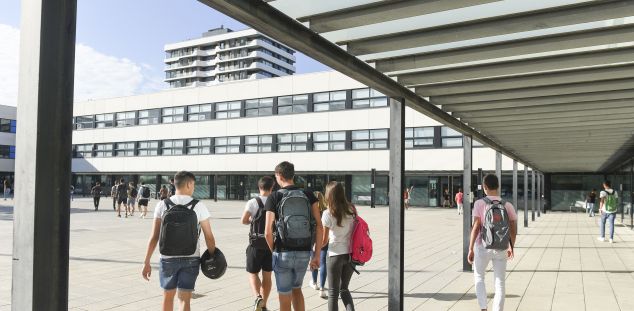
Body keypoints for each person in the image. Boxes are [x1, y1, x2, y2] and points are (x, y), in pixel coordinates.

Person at [142, 171, 217, 311]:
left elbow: (154, 236)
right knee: (184, 299)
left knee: (167, 297)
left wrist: (146, 261)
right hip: (191, 258)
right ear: (189, 184)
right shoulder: (198, 205)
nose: (193, 188)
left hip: (167, 258)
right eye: (193, 184)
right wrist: (213, 256)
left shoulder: (162, 205)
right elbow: (209, 237)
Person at [264, 161, 323, 311]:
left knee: (284, 296)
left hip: (282, 252)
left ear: (279, 175)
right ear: (293, 175)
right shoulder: (309, 194)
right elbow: (319, 225)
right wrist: (316, 255)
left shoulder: (274, 196)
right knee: (297, 289)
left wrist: (273, 252)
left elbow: (267, 232)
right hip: (304, 252)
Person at [468, 174, 517, 311]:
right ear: (498, 186)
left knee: (479, 277)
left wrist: (470, 248)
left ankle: (483, 308)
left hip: (482, 246)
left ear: (484, 187)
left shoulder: (479, 203)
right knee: (500, 283)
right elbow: (513, 230)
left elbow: (476, 227)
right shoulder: (508, 205)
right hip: (501, 247)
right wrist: (511, 246)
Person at [241, 176, 275, 311]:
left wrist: (252, 220)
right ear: (272, 187)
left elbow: (244, 220)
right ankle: (264, 304)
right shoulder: (276, 201)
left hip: (255, 244)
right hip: (271, 244)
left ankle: (257, 297)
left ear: (259, 187)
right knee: (267, 275)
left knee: (253, 273)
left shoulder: (252, 202)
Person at [322, 181, 356, 311]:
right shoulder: (351, 209)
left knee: (333, 293)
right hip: (350, 255)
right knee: (344, 289)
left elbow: (324, 241)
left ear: (329, 195)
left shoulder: (327, 213)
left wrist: (315, 247)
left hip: (334, 255)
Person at [310, 191, 328, 299]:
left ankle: (314, 283)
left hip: (312, 239)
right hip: (324, 239)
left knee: (313, 260)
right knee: (323, 262)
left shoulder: (310, 211)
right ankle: (322, 288)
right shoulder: (326, 211)